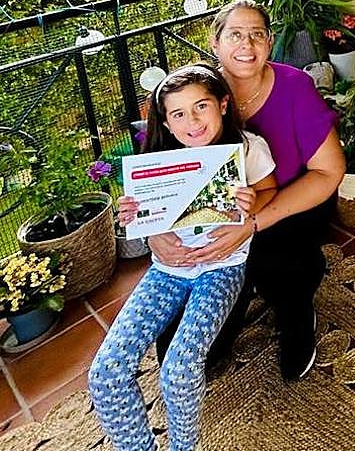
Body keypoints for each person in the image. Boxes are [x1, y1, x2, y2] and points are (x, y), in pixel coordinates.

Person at [153, 0, 345, 381]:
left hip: (288, 206)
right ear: (215, 42)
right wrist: (155, 233)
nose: (247, 44)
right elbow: (156, 176)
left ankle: (295, 307)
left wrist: (252, 224)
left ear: (270, 42)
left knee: (279, 266)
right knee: (188, 353)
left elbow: (329, 171)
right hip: (214, 219)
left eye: (257, 34)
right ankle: (235, 296)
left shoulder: (295, 87)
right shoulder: (192, 92)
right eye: (235, 34)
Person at [89, 64, 278, 451]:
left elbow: (269, 191)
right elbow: (145, 219)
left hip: (221, 268)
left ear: (222, 104)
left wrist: (251, 206)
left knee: (179, 369)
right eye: (178, 114)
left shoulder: (248, 148)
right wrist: (140, 221)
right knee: (105, 372)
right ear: (166, 122)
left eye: (201, 106)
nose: (192, 121)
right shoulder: (157, 161)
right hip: (168, 271)